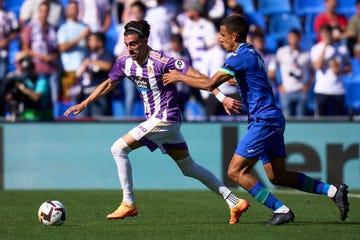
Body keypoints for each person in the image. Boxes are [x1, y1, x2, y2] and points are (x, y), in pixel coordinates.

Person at [163, 15, 350, 225]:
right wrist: (236, 86)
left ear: (234, 36)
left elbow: (209, 84)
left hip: (264, 121)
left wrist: (179, 76)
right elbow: (248, 79)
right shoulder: (252, 53)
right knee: (277, 176)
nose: (219, 38)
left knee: (235, 171)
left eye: (223, 35)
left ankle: (281, 209)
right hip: (271, 118)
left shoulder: (238, 57)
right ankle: (334, 191)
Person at [63, 20, 249, 224]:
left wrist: (222, 98)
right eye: (127, 44)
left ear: (145, 41)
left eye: (134, 43)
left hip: (165, 117)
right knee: (189, 168)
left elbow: (198, 76)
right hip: (159, 121)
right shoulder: (124, 61)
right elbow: (109, 83)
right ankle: (233, 201)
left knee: (118, 148)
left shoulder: (162, 61)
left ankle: (128, 203)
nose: (130, 48)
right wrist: (84, 103)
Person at [21, 1, 60, 118]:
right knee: (40, 98)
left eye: (46, 11)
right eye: (42, 11)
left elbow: (58, 49)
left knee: (53, 99)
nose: (44, 13)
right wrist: (41, 56)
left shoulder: (53, 28)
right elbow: (25, 49)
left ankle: (53, 121)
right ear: (38, 12)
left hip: (52, 68)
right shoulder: (31, 28)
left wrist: (52, 56)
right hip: (38, 68)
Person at [269, 29, 313, 118]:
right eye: (291, 37)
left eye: (296, 37)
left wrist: (308, 86)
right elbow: (271, 71)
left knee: (301, 120)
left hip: (301, 91)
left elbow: (312, 72)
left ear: (300, 39)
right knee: (286, 120)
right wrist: (278, 85)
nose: (293, 39)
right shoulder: (281, 52)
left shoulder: (306, 54)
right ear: (288, 38)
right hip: (286, 91)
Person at [310, 24, 351, 116]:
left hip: (338, 89)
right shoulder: (316, 48)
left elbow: (349, 68)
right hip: (322, 89)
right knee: (321, 121)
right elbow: (318, 66)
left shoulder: (342, 49)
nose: (327, 36)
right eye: (324, 34)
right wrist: (325, 47)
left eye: (328, 34)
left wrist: (340, 71)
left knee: (339, 120)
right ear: (320, 35)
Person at [73, 32, 115, 117]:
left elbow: (108, 66)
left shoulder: (107, 54)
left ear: (100, 42)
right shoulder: (88, 54)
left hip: (98, 95)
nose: (89, 43)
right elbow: (80, 72)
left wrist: (92, 62)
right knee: (81, 121)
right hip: (84, 94)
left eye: (92, 40)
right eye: (89, 40)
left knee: (98, 120)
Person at [3, 51, 52, 121]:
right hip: (25, 116)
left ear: (33, 69)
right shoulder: (18, 78)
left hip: (41, 117)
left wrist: (22, 88)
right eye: (25, 70)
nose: (27, 73)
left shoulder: (41, 80)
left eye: (29, 70)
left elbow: (36, 97)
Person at [57, 0, 90, 103]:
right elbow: (62, 48)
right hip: (69, 71)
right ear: (67, 10)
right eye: (71, 8)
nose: (73, 11)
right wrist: (81, 37)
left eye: (75, 8)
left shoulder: (85, 26)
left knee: (83, 104)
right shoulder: (63, 28)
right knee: (68, 103)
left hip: (84, 71)